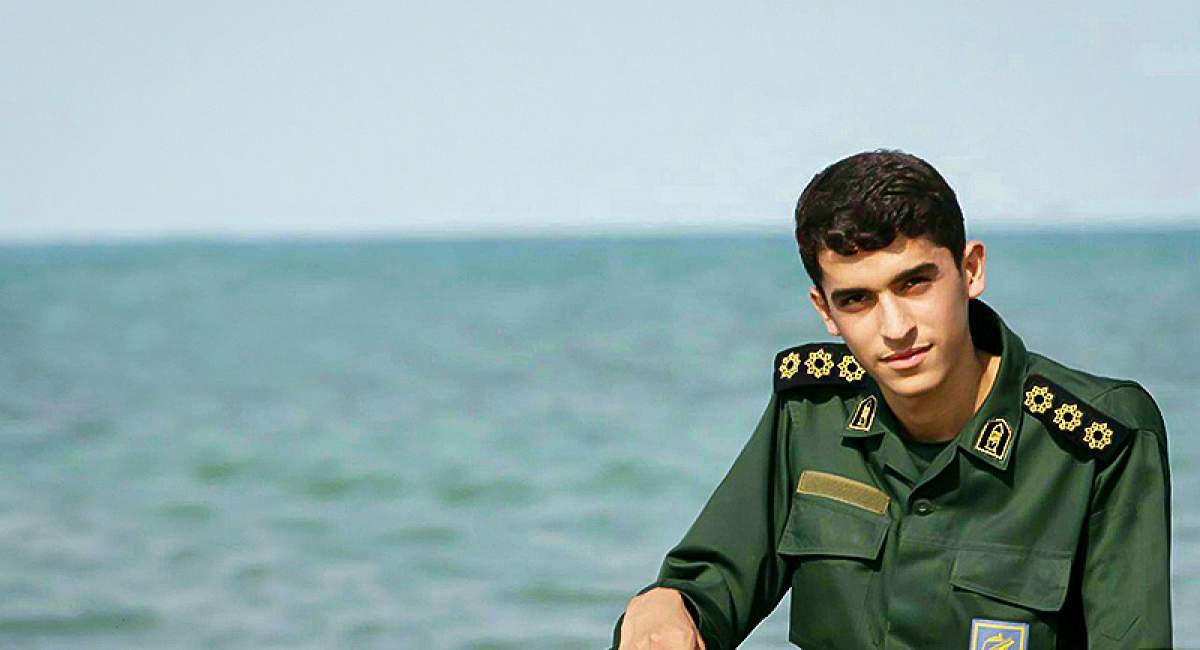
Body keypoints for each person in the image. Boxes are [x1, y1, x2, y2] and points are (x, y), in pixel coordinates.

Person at [610, 150, 1172, 649]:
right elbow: (704, 590)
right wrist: (662, 604)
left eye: (914, 283)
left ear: (971, 270)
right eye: (857, 300)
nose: (896, 328)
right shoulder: (811, 414)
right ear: (825, 311)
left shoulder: (1098, 441)